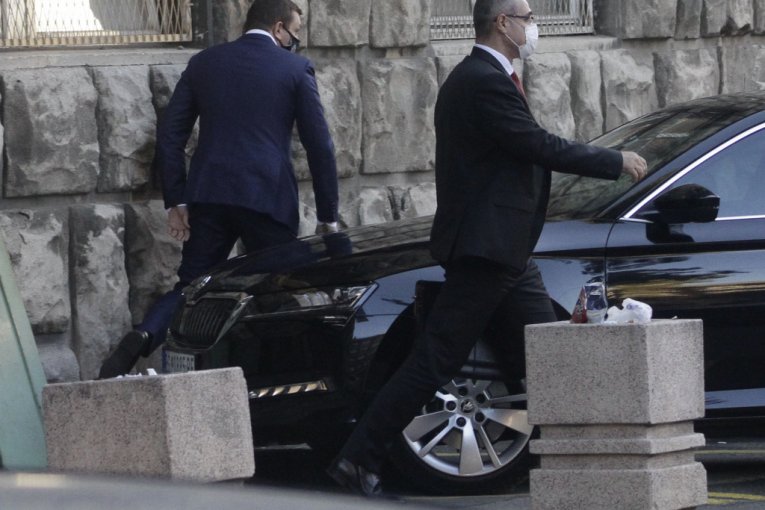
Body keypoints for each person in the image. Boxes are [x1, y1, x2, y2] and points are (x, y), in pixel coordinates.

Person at [326, 0, 647, 496]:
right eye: (528, 18)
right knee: (435, 361)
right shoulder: (481, 80)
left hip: (506, 251)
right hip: (488, 252)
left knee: (550, 356)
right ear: (503, 22)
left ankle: (588, 463)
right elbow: (536, 144)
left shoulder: (487, 77)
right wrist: (613, 161)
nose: (534, 26)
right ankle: (357, 460)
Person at [99, 0, 339, 379]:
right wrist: (328, 216)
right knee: (278, 291)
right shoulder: (295, 68)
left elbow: (171, 136)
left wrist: (177, 200)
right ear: (278, 28)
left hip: (209, 195)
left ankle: (142, 337)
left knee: (191, 287)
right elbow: (320, 146)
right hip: (267, 199)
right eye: (294, 34)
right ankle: (275, 385)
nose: (295, 42)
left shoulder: (205, 62)